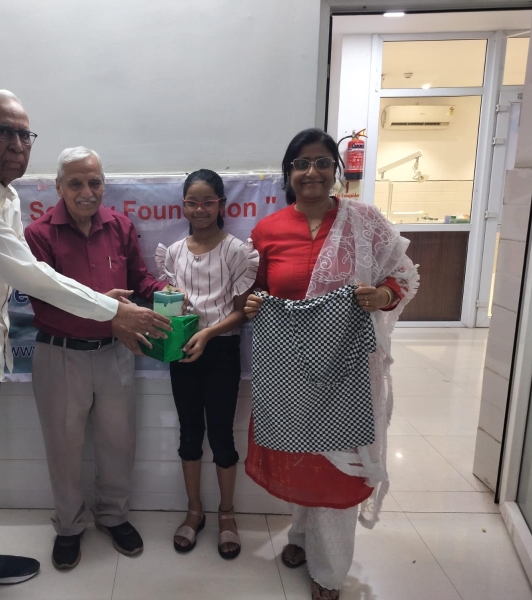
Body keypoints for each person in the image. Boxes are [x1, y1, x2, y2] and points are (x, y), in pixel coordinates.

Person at [0, 92, 169, 600]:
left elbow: (24, 275)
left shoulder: (4, 196)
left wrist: (117, 305)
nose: (17, 144)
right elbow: (31, 276)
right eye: (4, 132)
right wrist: (113, 312)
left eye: (24, 134)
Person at [244, 128, 418, 600]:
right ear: (289, 173)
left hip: (346, 370)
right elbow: (254, 290)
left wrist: (381, 296)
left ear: (335, 170)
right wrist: (254, 303)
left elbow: (402, 276)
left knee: (340, 469)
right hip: (290, 370)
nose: (312, 172)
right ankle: (301, 536)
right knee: (302, 456)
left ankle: (330, 572)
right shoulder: (268, 230)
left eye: (322, 162)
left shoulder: (365, 221)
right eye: (301, 163)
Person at [24, 147, 184, 570]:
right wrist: (109, 313)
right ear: (59, 187)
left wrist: (166, 292)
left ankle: (113, 516)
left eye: (94, 182)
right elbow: (44, 305)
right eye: (75, 183)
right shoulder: (39, 234)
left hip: (116, 352)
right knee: (64, 447)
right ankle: (69, 526)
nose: (86, 191)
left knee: (118, 441)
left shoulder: (119, 226)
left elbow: (139, 279)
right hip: (60, 354)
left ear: (103, 185)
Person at [155, 169, 258, 559]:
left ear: (221, 205)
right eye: (192, 202)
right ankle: (194, 511)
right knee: (189, 434)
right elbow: (171, 304)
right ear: (183, 205)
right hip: (181, 350)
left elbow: (242, 312)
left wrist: (209, 334)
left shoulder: (237, 251)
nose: (199, 209)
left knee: (221, 436)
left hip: (221, 351)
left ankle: (227, 514)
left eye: (207, 202)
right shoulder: (174, 252)